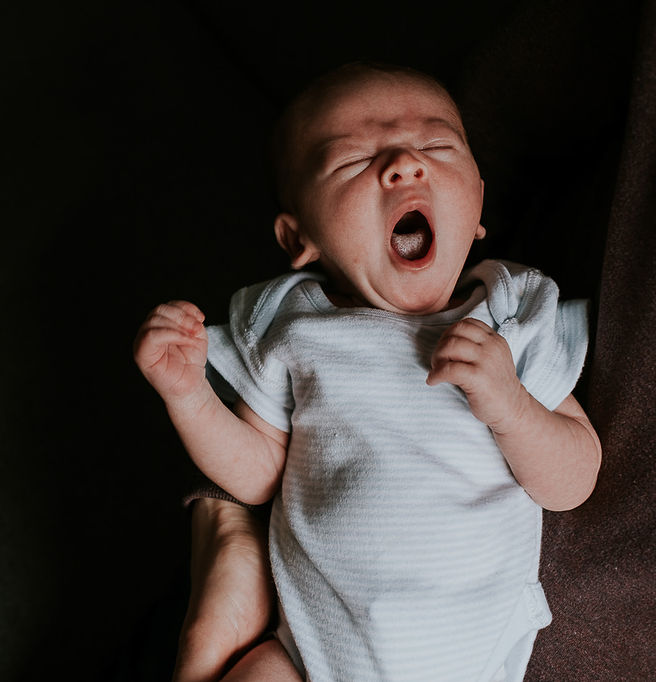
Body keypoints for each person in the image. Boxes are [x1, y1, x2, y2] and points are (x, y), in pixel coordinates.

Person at [133, 62, 602, 681]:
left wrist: (511, 406)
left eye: (437, 146)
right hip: (310, 652)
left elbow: (574, 480)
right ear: (299, 237)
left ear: (481, 204)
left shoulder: (510, 313)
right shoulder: (292, 327)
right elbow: (257, 477)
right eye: (353, 161)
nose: (406, 165)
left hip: (464, 656)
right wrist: (188, 395)